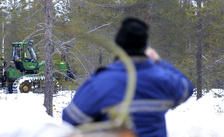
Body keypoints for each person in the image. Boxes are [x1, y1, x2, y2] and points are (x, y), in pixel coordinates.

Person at [62, 17, 194, 137]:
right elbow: (186, 88)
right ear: (145, 48)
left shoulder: (101, 82)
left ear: (118, 47)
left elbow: (70, 119)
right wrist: (158, 62)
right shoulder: (164, 79)